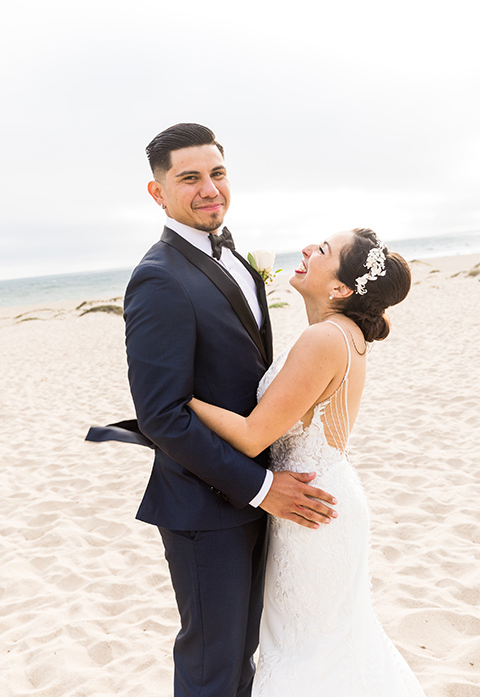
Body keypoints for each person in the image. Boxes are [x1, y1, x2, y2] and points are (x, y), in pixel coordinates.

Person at [123, 123, 338, 697]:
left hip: (260, 488)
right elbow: (162, 415)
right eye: (188, 178)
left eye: (216, 173)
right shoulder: (157, 279)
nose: (209, 189)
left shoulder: (239, 257)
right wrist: (262, 487)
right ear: (157, 192)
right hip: (204, 507)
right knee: (213, 665)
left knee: (243, 656)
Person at [188, 228, 427, 696]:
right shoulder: (345, 333)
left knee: (308, 654)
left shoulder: (325, 338)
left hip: (310, 508)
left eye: (322, 250)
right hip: (320, 497)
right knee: (329, 647)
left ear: (340, 288)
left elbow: (255, 432)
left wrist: (179, 400)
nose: (306, 250)